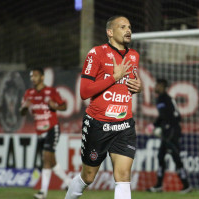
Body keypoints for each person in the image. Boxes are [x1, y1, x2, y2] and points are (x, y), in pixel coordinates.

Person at [65, 15, 142, 199]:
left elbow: (128, 86)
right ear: (110, 32)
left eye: (129, 27)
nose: (128, 30)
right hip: (98, 125)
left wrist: (138, 87)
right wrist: (113, 77)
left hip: (124, 126)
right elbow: (84, 92)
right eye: (122, 27)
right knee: (88, 177)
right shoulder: (96, 53)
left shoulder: (134, 56)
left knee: (123, 176)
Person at [20, 67, 72, 199]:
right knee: (51, 161)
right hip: (39, 131)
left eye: (36, 76)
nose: (33, 78)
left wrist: (55, 106)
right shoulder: (29, 93)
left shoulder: (51, 91)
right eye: (32, 76)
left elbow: (64, 106)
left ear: (42, 77)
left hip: (51, 128)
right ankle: (69, 182)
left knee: (46, 159)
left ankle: (43, 192)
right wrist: (25, 108)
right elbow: (22, 111)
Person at [147, 79, 191, 193]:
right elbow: (164, 116)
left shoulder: (165, 99)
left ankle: (186, 185)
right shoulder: (162, 99)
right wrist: (156, 125)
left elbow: (173, 116)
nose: (155, 87)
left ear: (162, 86)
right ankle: (158, 185)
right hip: (167, 130)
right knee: (161, 156)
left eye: (157, 85)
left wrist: (162, 126)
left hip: (172, 130)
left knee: (175, 156)